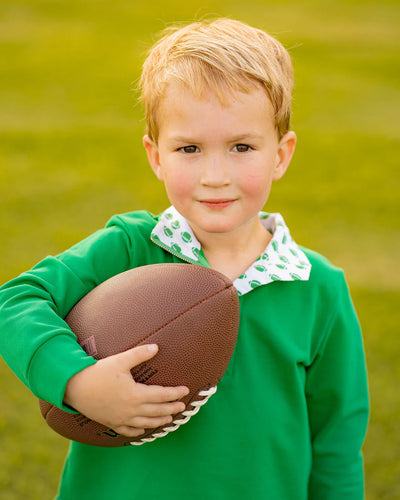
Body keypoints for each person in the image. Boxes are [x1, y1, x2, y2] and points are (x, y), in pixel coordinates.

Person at [0, 18, 369, 499]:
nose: (215, 175)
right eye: (189, 148)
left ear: (281, 153)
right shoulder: (131, 246)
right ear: (156, 156)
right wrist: (77, 381)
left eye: (241, 147)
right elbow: (16, 300)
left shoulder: (318, 287)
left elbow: (336, 443)